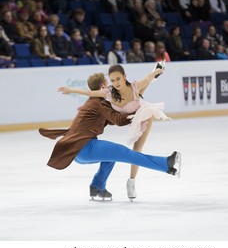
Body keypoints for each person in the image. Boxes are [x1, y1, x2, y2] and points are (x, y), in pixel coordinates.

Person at [40, 72, 181, 200]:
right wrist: (138, 112)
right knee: (124, 153)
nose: (111, 86)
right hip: (83, 147)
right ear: (102, 86)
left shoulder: (94, 102)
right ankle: (165, 164)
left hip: (77, 151)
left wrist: (132, 114)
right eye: (108, 83)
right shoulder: (99, 102)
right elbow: (118, 120)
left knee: (110, 157)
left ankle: (97, 186)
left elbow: (110, 119)